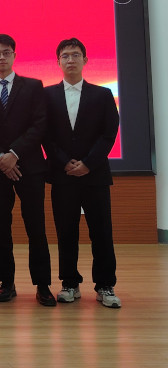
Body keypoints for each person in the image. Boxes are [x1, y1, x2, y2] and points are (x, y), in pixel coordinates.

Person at [0, 34, 55, 306]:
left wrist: (14, 154)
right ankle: (6, 283)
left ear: (14, 55)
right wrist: (1, 156)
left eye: (6, 52)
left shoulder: (33, 86)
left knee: (36, 227)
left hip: (29, 167)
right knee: (1, 229)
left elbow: (39, 124)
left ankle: (43, 285)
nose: (1, 57)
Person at [43, 38, 121, 308]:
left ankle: (105, 285)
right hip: (62, 175)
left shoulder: (102, 94)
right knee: (66, 232)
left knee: (101, 232)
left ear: (85, 60)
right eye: (65, 56)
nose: (70, 60)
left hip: (95, 175)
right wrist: (65, 162)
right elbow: (46, 136)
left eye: (75, 55)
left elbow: (109, 133)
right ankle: (69, 283)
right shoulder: (48, 95)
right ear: (58, 62)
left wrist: (88, 163)